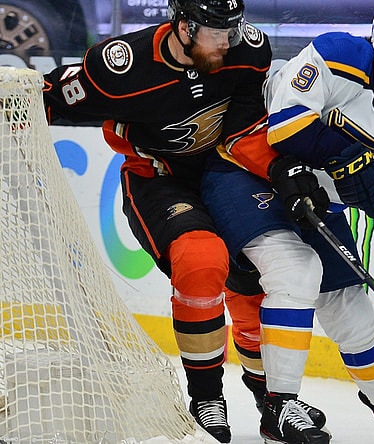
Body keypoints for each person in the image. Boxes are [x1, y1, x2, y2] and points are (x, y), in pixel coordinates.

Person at [200, 0, 374, 443]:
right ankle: (280, 406)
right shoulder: (335, 54)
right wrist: (345, 157)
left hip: (312, 194)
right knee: (297, 272)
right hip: (245, 174)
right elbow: (286, 126)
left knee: (350, 303)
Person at [39, 1, 292, 442]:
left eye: (232, 30)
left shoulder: (248, 53)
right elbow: (46, 97)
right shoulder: (123, 68)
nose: (227, 42)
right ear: (184, 26)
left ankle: (274, 403)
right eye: (216, 33)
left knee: (256, 284)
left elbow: (248, 127)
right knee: (201, 260)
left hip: (227, 176)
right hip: (159, 181)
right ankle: (207, 396)